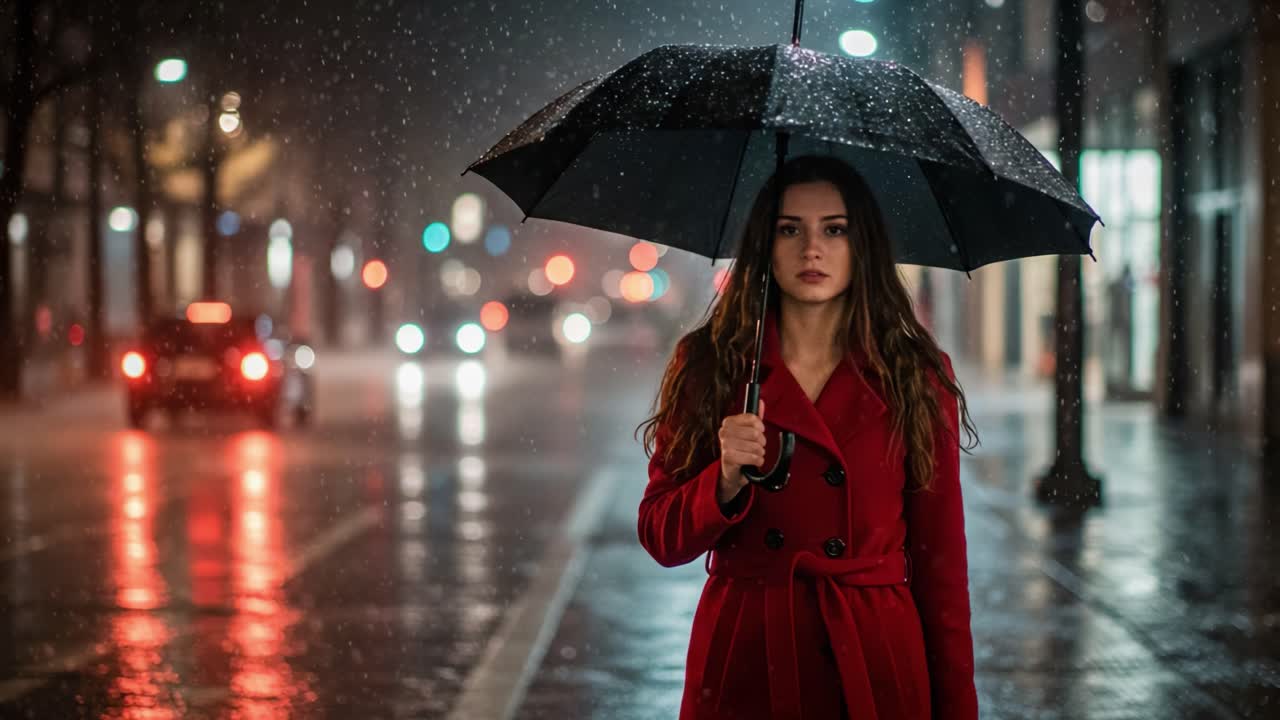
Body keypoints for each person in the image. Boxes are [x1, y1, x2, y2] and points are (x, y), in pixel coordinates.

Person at [636, 155, 980, 719]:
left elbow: (941, 567)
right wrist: (723, 480)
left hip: (873, 656)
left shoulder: (913, 374)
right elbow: (660, 534)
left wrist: (957, 709)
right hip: (747, 654)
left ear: (862, 245)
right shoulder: (711, 365)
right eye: (789, 229)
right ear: (764, 245)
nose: (811, 249)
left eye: (834, 229)